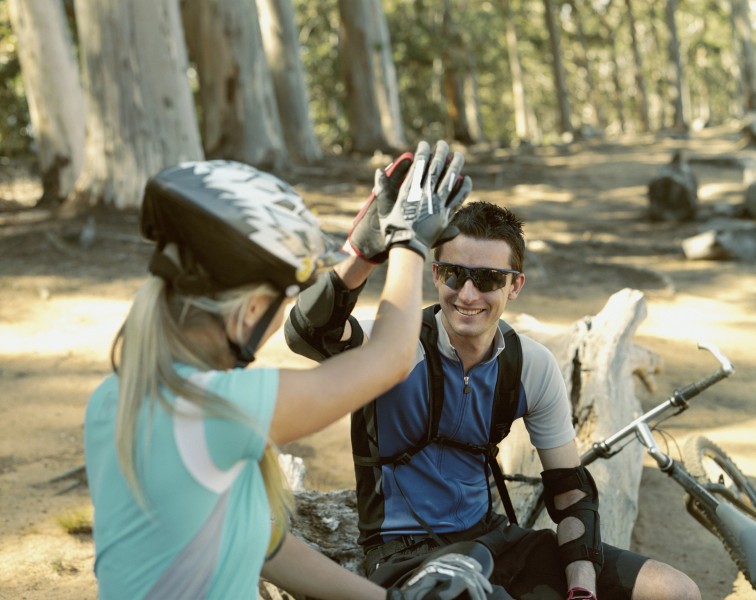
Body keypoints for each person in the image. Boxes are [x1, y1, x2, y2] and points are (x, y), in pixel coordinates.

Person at [83, 144, 498, 600]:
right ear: (253, 311)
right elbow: (391, 360)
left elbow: (262, 544)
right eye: (282, 303)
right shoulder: (214, 410)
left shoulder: (116, 397)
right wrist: (410, 242)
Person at [285, 196, 703, 599]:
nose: (467, 294)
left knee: (676, 591)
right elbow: (306, 330)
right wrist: (366, 252)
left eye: (486, 280)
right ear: (435, 275)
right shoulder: (395, 344)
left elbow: (571, 492)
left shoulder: (529, 365)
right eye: (453, 274)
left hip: (494, 540)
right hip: (407, 558)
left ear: (514, 285)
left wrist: (581, 588)